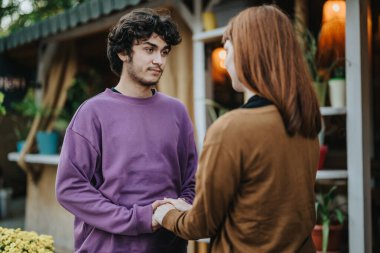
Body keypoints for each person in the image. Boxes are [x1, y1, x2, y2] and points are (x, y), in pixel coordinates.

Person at [153, 5, 321, 253]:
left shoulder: (230, 129)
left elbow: (201, 225)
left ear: (247, 54)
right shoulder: (305, 123)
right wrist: (190, 208)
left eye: (227, 50)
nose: (226, 59)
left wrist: (166, 213)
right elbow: (260, 209)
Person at [56, 8, 198, 253]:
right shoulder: (92, 112)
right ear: (123, 52)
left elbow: (191, 182)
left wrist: (177, 210)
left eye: (164, 52)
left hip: (168, 248)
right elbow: (70, 188)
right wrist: (139, 218)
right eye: (149, 49)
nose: (159, 60)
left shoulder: (177, 112)